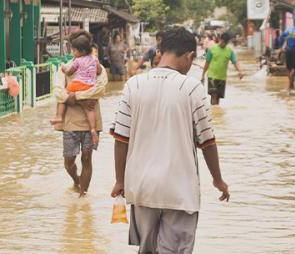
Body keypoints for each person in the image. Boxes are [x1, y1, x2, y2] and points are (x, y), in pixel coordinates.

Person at [110, 28, 230, 253]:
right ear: (189, 56)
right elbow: (207, 142)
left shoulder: (133, 85)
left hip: (142, 187)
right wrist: (218, 180)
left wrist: (119, 180)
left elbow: (120, 140)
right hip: (179, 190)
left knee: (146, 249)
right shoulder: (193, 88)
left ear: (160, 51)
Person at [50, 35, 101, 146]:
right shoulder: (94, 59)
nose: (73, 52)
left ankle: (59, 116)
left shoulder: (77, 61)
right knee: (90, 110)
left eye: (74, 50)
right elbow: (99, 71)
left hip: (78, 85)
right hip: (90, 88)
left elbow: (68, 73)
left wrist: (64, 69)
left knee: (63, 96)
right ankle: (93, 129)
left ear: (81, 50)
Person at [201, 32, 243, 105]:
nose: (223, 44)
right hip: (212, 77)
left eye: (225, 42)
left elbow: (235, 62)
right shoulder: (212, 49)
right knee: (214, 96)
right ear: (220, 39)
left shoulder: (230, 51)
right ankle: (214, 114)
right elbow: (207, 63)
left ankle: (216, 114)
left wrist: (240, 71)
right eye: (222, 41)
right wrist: (203, 75)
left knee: (218, 98)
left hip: (222, 78)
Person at [279, 16, 295, 91]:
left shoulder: (288, 29)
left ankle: (291, 85)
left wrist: (281, 46)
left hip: (287, 50)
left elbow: (281, 37)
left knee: (289, 68)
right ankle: (290, 86)